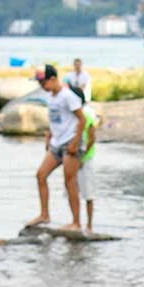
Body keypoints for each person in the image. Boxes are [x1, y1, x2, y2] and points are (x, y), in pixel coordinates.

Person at [25, 64, 85, 229]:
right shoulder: (50, 97)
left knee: (69, 182)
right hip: (56, 143)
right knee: (41, 175)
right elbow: (55, 119)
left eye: (43, 82)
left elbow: (82, 120)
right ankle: (44, 215)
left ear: (53, 79)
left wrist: (75, 143)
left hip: (70, 142)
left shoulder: (68, 96)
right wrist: (49, 136)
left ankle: (76, 222)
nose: (41, 86)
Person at [77, 96, 104, 234]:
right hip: (75, 158)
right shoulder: (74, 114)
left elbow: (92, 138)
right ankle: (77, 223)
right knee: (73, 192)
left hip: (86, 159)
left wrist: (82, 158)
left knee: (88, 194)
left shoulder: (86, 114)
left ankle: (89, 225)